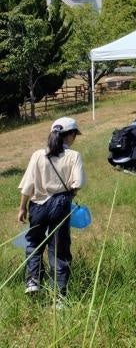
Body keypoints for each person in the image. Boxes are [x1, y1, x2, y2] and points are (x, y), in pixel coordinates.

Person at [17, 117, 86, 298]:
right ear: (70, 135)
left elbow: (27, 185)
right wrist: (69, 195)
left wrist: (22, 208)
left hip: (37, 205)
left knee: (34, 242)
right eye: (75, 135)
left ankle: (33, 281)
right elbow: (78, 183)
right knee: (59, 248)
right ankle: (60, 294)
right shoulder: (74, 156)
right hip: (61, 204)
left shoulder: (38, 155)